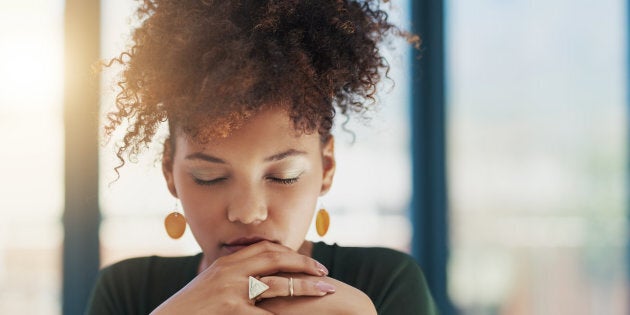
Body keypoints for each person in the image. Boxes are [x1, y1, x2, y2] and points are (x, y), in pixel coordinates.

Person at [86, 0, 438, 314]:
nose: (248, 211)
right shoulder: (127, 293)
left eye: (283, 175)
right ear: (169, 171)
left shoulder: (383, 285)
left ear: (326, 167)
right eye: (209, 176)